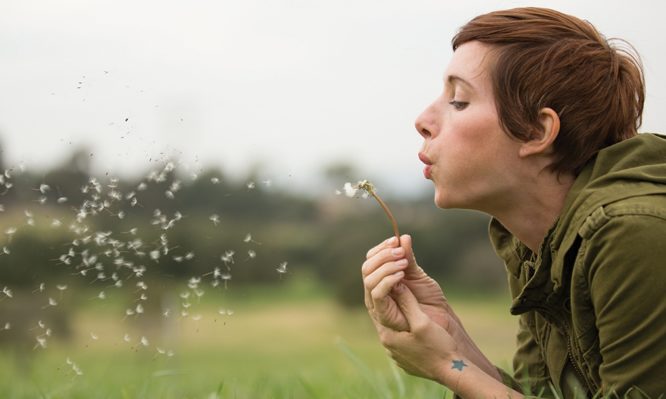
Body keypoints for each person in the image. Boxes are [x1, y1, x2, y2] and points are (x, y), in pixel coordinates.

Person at [361, 7, 666, 399]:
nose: (423, 119)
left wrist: (447, 368)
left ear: (537, 132)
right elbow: (540, 395)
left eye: (458, 101)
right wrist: (453, 340)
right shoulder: (535, 240)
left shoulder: (634, 233)